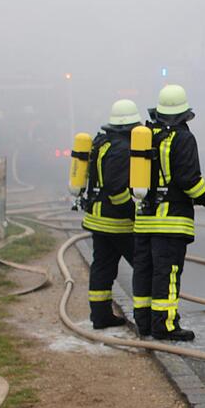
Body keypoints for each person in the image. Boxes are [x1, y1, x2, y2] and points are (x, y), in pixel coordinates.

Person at [132, 85, 205, 341]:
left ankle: (143, 323)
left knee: (145, 271)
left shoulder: (147, 135)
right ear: (184, 113)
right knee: (167, 274)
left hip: (144, 219)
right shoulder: (183, 139)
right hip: (171, 221)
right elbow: (191, 182)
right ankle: (165, 326)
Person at [82, 100, 140, 329]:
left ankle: (100, 316)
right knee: (145, 266)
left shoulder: (103, 141)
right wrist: (133, 213)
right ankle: (149, 317)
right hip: (116, 221)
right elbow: (116, 189)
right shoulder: (122, 149)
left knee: (102, 268)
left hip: (98, 217)